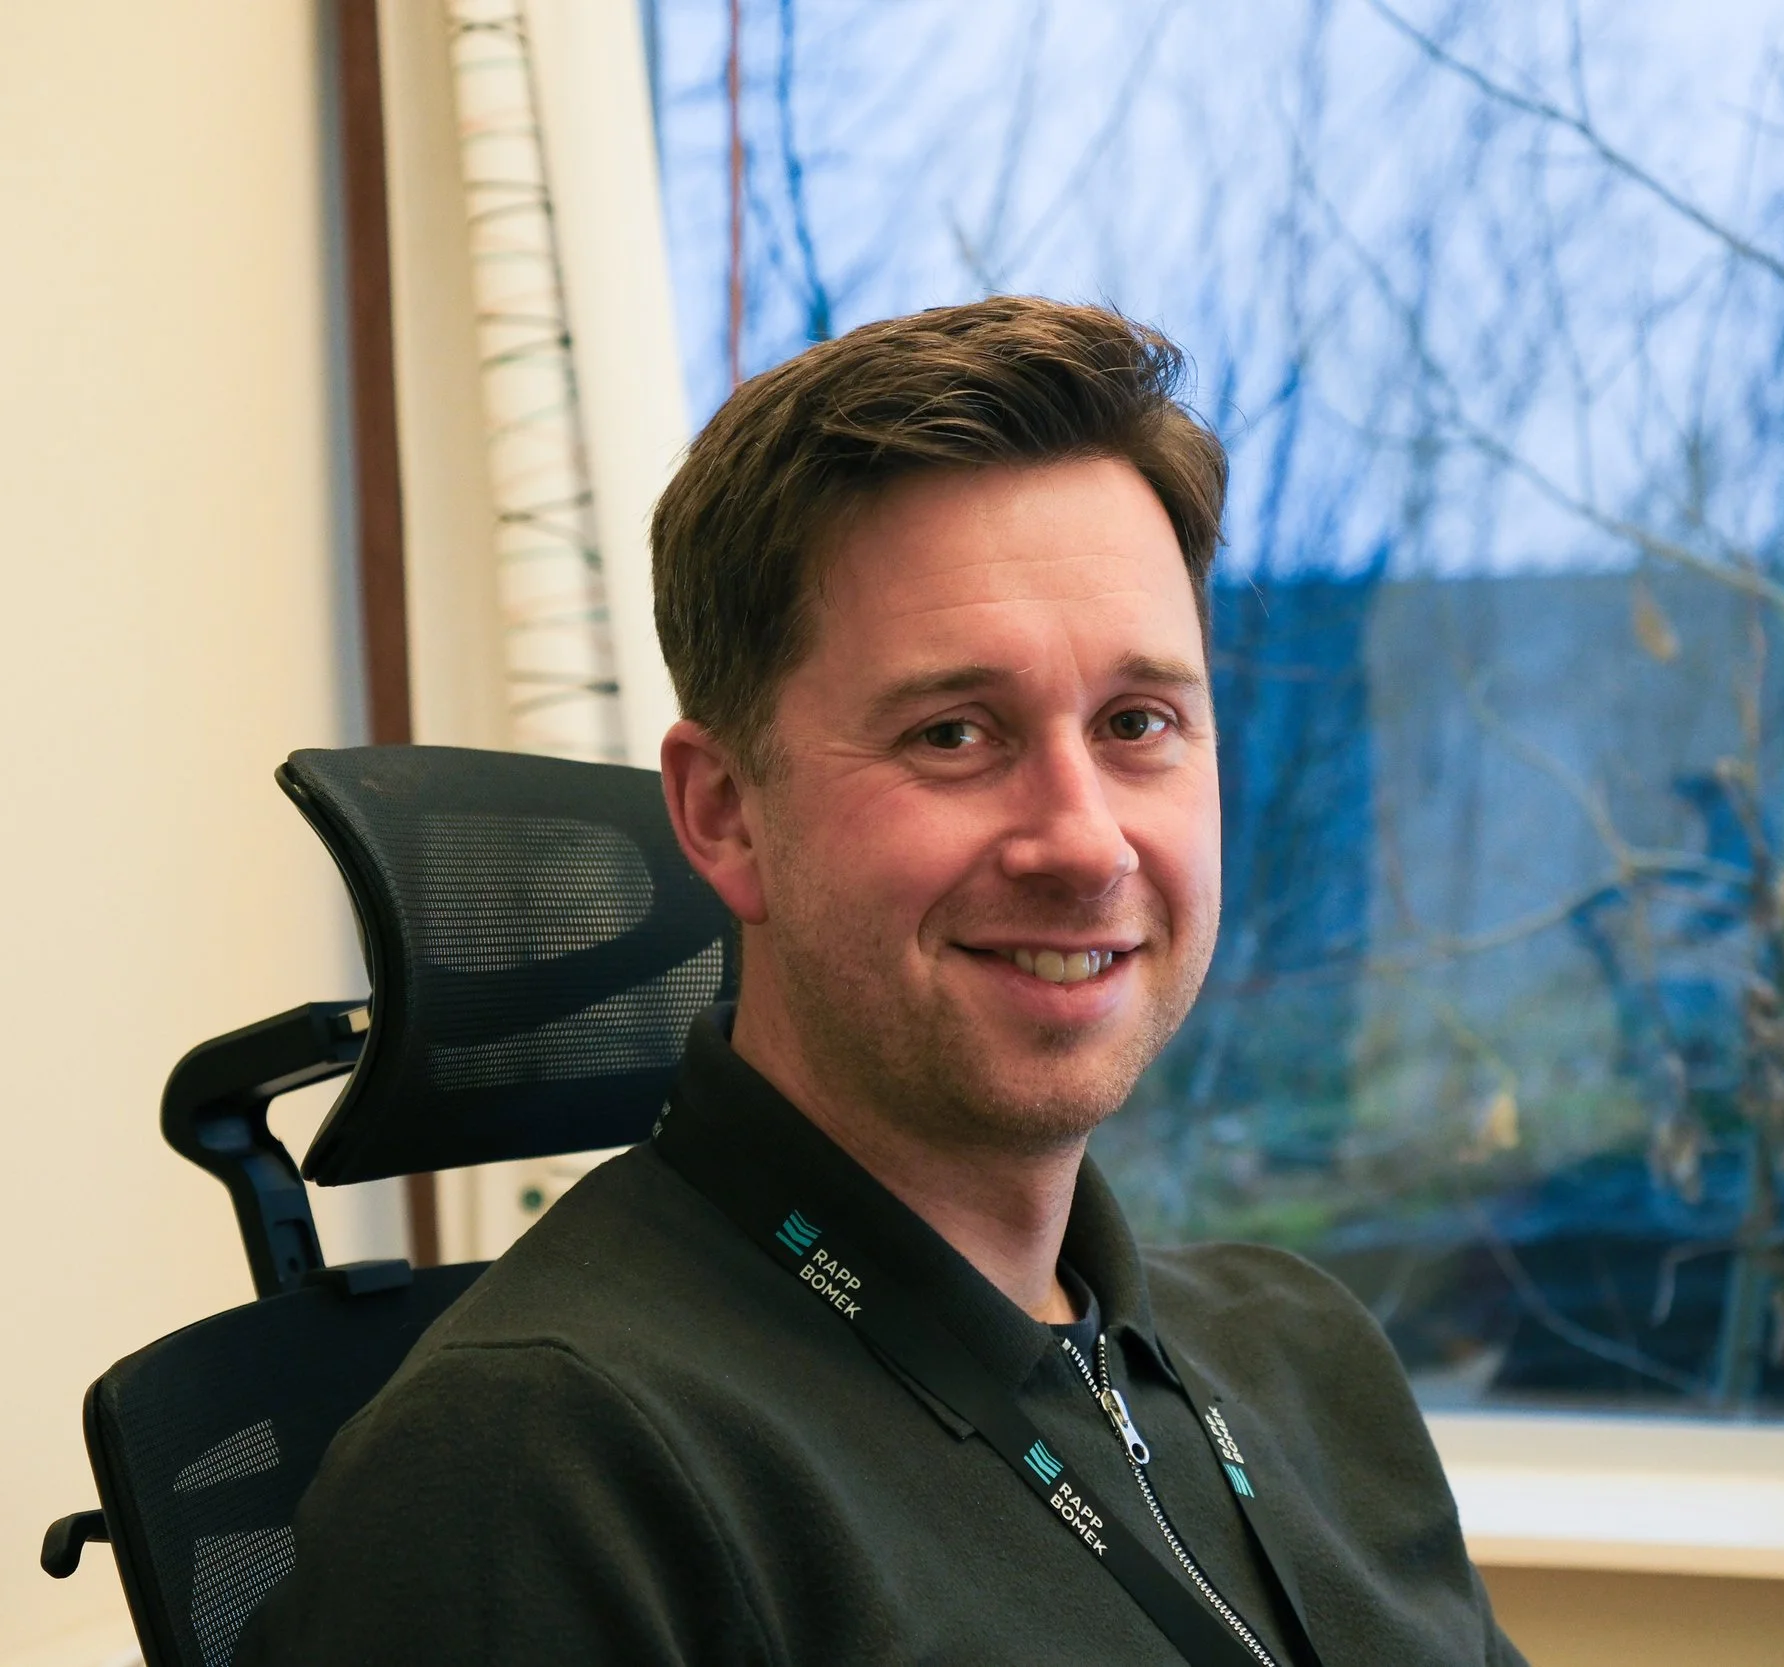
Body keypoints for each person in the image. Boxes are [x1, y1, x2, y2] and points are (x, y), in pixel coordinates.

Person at [237, 297, 1524, 1666]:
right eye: (955, 732)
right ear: (727, 810)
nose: (1085, 838)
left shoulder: (1302, 1353)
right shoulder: (545, 1472)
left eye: (1138, 722)